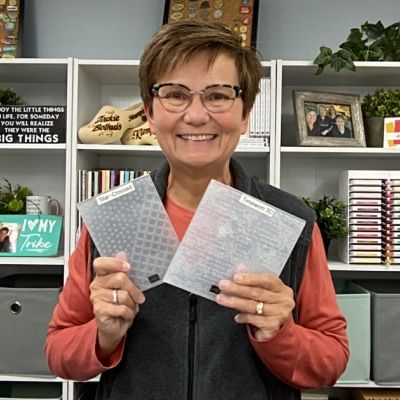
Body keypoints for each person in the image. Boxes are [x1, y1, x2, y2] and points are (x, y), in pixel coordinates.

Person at [45, 21, 349, 400]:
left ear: (245, 113)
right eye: (175, 94)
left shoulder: (291, 221)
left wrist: (280, 332)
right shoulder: (116, 216)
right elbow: (59, 353)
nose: (196, 115)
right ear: (150, 114)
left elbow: (331, 362)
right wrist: (104, 334)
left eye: (218, 95)